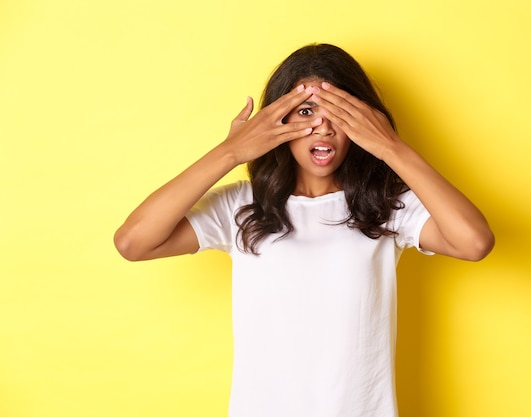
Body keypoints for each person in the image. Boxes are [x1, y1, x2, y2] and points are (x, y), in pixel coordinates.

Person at [114, 43, 494, 417]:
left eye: (338, 112)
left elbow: (474, 242)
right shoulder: (242, 207)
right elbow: (133, 242)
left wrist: (390, 147)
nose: (322, 127)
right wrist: (230, 152)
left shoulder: (384, 206)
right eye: (306, 111)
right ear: (277, 124)